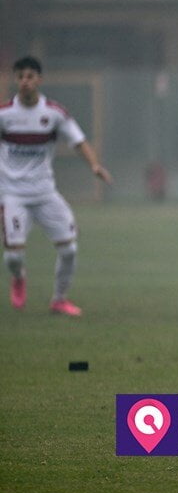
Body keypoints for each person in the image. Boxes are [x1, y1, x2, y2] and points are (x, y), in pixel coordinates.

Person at [1, 56, 113, 317]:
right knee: (14, 257)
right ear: (16, 80)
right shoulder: (5, 115)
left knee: (69, 249)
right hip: (12, 194)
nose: (25, 81)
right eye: (20, 77)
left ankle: (59, 300)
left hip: (45, 194)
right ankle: (19, 277)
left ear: (39, 79)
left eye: (30, 76)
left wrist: (94, 166)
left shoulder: (53, 114)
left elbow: (79, 141)